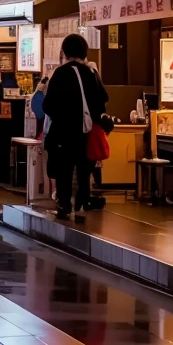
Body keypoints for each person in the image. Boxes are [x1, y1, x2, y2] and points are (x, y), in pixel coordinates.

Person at [41, 35, 109, 222]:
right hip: (86, 132)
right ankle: (81, 204)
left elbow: (48, 106)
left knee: (64, 169)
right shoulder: (91, 73)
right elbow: (102, 101)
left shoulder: (60, 73)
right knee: (84, 170)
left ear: (65, 52)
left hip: (63, 132)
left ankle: (64, 205)